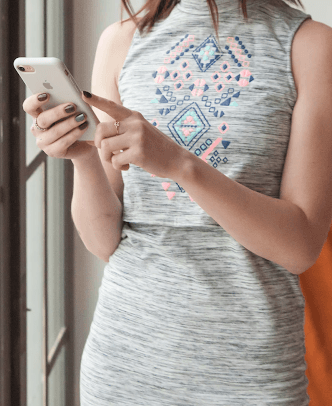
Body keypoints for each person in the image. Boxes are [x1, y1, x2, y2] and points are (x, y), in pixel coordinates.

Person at [22, 0, 332, 403]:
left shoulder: (311, 47)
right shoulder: (120, 41)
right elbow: (104, 243)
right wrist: (83, 158)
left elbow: (300, 246)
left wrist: (181, 165)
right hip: (123, 366)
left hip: (248, 375)